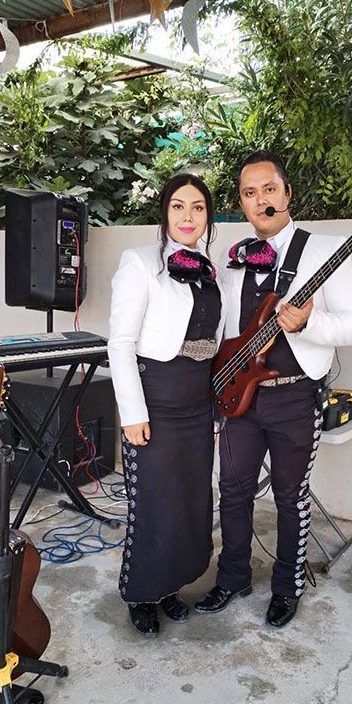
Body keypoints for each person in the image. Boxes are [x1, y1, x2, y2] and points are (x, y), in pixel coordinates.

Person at [195, 151, 352, 628]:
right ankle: (231, 578)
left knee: (291, 496)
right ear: (242, 203)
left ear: (287, 193)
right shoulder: (234, 259)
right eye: (250, 194)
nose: (261, 200)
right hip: (239, 396)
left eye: (269, 189)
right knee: (231, 492)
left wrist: (311, 321)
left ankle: (287, 584)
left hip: (295, 397)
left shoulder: (324, 252)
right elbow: (225, 328)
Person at [108, 174, 226, 637]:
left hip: (198, 401)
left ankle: (172, 585)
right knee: (154, 503)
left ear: (208, 218)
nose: (188, 217)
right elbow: (120, 342)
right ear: (164, 212)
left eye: (198, 208)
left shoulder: (210, 269)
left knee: (191, 500)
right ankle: (141, 594)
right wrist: (132, 414)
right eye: (179, 207)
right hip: (154, 398)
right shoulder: (138, 263)